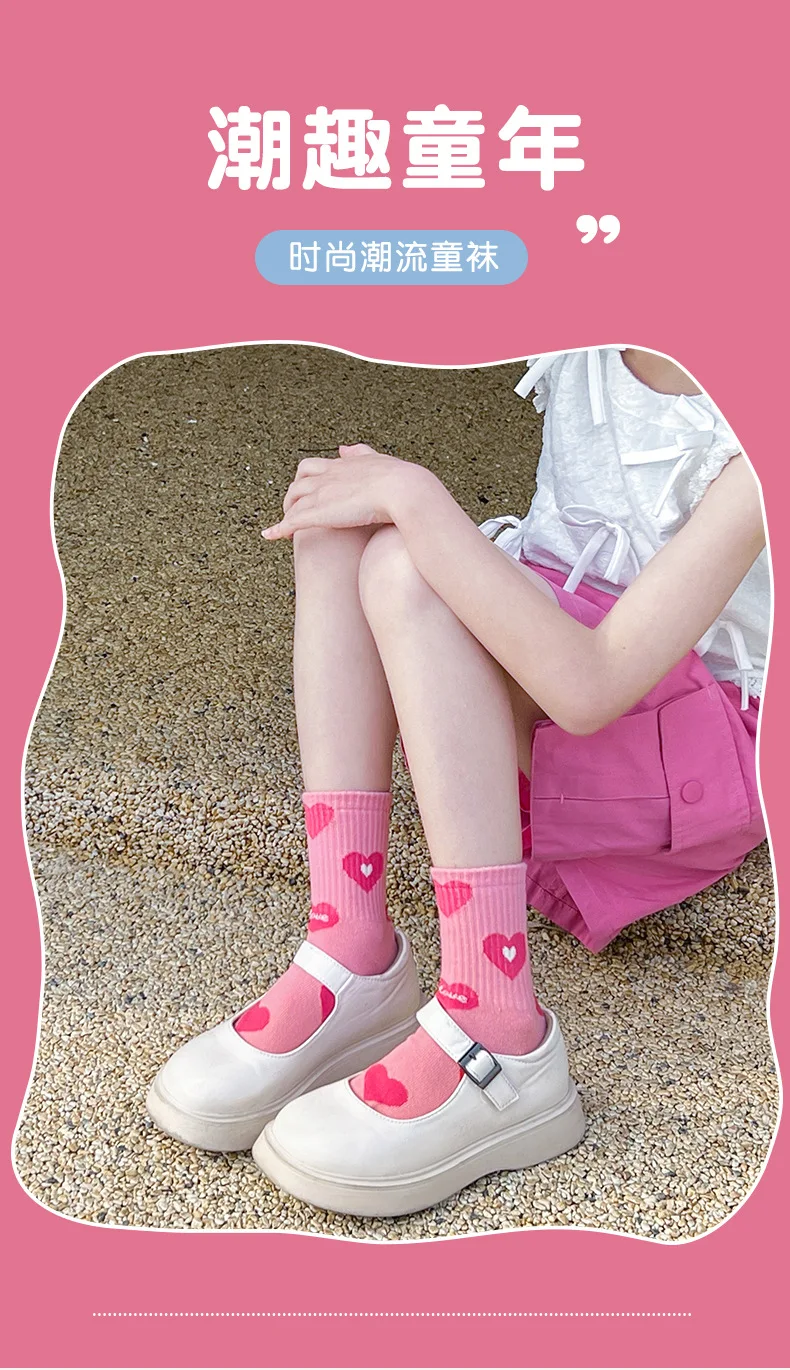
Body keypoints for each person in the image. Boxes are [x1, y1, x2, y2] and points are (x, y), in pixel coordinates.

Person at [147, 346, 768, 1219]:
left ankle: (498, 1028)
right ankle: (350, 947)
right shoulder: (592, 339)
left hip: (685, 763)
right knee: (341, 523)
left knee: (407, 560)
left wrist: (416, 499)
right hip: (561, 688)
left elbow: (591, 687)